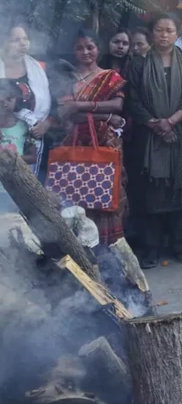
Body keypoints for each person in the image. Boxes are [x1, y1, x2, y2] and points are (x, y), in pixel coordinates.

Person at [127, 13, 182, 268]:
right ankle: (150, 249)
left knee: (181, 189)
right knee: (151, 192)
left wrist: (170, 122)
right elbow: (133, 101)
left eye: (169, 30)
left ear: (177, 33)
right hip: (149, 137)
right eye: (159, 30)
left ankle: (180, 246)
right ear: (152, 34)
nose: (164, 35)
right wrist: (156, 124)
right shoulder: (138, 64)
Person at [57, 30, 128, 246]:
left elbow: (118, 105)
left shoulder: (110, 76)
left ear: (98, 49)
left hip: (106, 143)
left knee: (107, 195)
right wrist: (105, 115)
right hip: (76, 143)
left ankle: (110, 250)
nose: (85, 52)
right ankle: (82, 250)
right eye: (80, 48)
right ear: (73, 51)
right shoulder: (66, 79)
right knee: (78, 196)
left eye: (90, 47)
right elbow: (66, 113)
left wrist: (80, 105)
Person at [0, 24, 52, 176]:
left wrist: (46, 124)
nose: (23, 43)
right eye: (16, 39)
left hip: (30, 138)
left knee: (26, 186)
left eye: (25, 39)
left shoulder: (39, 69)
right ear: (4, 42)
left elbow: (55, 104)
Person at [0, 79, 36, 211]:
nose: (3, 103)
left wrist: (10, 158)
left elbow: (33, 157)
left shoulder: (24, 127)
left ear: (16, 100)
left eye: (8, 98)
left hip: (17, 188)